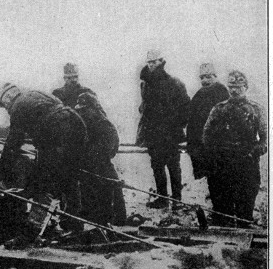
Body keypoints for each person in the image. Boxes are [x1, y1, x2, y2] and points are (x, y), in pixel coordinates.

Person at [0, 83, 88, 248]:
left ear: (7, 99)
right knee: (70, 178)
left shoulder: (17, 107)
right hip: (77, 125)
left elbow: (12, 144)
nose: (6, 109)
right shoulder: (35, 93)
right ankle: (75, 227)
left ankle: (29, 236)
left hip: (58, 133)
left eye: (4, 105)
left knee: (42, 185)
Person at [203, 70, 266, 227]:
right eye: (231, 86)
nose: (234, 90)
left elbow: (265, 139)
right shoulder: (219, 109)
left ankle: (244, 235)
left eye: (239, 86)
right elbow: (207, 135)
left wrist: (254, 152)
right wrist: (215, 154)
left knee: (245, 205)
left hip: (247, 163)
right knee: (222, 208)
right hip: (222, 164)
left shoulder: (256, 109)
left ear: (246, 87)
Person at [136, 50, 190, 209]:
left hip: (170, 133)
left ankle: (177, 200)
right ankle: (162, 198)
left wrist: (176, 126)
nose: (152, 65)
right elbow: (144, 106)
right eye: (149, 62)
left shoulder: (174, 83)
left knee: (173, 166)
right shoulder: (145, 83)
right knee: (157, 165)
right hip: (153, 133)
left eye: (155, 61)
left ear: (162, 61)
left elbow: (185, 107)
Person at [75, 92, 127, 225]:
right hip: (91, 166)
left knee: (109, 188)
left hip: (101, 165)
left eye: (85, 109)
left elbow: (110, 148)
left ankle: (113, 219)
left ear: (93, 108)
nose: (82, 113)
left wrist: (91, 158)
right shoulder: (85, 124)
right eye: (80, 110)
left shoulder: (104, 125)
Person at [186, 63, 229, 205]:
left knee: (219, 177)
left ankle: (221, 208)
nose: (205, 80)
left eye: (208, 77)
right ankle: (213, 204)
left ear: (215, 77)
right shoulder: (199, 94)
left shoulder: (222, 92)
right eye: (202, 77)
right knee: (207, 176)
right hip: (200, 142)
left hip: (216, 144)